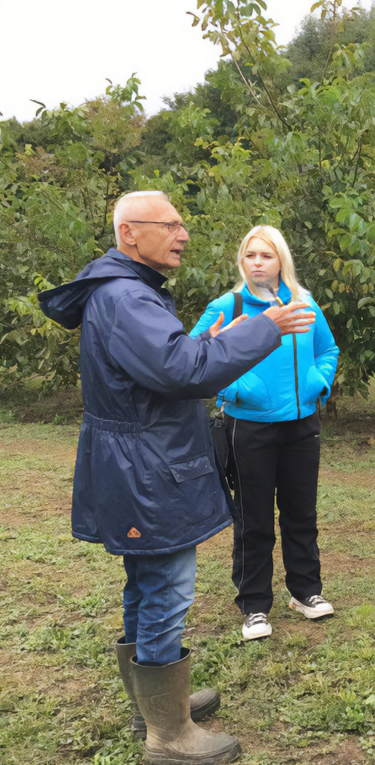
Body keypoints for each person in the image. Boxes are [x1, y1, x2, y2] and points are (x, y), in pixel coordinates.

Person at [38, 191, 314, 765]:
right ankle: (169, 735)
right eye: (171, 224)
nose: (183, 234)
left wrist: (212, 339)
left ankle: (153, 703)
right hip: (146, 468)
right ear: (130, 234)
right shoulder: (125, 297)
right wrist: (262, 329)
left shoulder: (125, 293)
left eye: (182, 223)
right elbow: (180, 369)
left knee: (146, 581)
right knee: (166, 585)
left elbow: (165, 359)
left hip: (138, 460)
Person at [190, 225, 339, 642]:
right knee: (253, 518)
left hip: (301, 424)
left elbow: (328, 350)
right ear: (242, 261)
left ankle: (305, 592)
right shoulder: (227, 305)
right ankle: (254, 605)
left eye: (266, 255)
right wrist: (237, 389)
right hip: (249, 426)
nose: (258, 262)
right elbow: (196, 358)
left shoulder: (305, 304)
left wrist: (317, 383)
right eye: (251, 255)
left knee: (301, 513)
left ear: (281, 261)